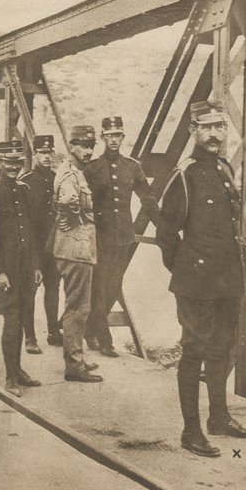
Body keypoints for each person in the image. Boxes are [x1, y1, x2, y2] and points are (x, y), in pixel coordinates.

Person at [157, 100, 246, 458]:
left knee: (222, 348)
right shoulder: (185, 175)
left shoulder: (223, 168)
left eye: (220, 127)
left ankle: (219, 418)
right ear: (193, 131)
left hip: (227, 279)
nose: (214, 134)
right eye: (207, 127)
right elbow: (166, 234)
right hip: (197, 283)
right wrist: (187, 272)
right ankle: (191, 431)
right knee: (194, 352)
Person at [86, 115, 160, 357]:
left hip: (123, 238)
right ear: (102, 138)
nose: (113, 140)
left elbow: (148, 199)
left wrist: (162, 227)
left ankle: (90, 329)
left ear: (122, 137)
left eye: (117, 135)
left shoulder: (132, 167)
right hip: (100, 238)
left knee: (113, 285)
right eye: (109, 136)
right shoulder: (92, 169)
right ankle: (104, 339)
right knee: (99, 286)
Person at [0, 140, 43, 398]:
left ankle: (18, 370)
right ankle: (10, 378)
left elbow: (32, 232)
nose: (13, 167)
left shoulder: (24, 190)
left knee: (23, 317)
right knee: (12, 320)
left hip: (25, 269)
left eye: (18, 163)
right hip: (5, 272)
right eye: (8, 162)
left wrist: (36, 265)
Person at [52, 125, 103, 383]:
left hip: (78, 248)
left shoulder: (77, 172)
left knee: (80, 306)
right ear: (71, 147)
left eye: (91, 146)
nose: (88, 151)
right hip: (76, 249)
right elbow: (67, 201)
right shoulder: (70, 174)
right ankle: (74, 365)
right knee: (77, 308)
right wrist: (73, 218)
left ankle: (77, 357)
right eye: (82, 146)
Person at [19, 134, 62, 352]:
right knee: (30, 292)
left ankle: (53, 332)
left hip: (52, 247)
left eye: (49, 152)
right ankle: (30, 337)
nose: (47, 157)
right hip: (32, 248)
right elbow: (24, 223)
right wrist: (32, 257)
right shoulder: (26, 182)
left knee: (53, 289)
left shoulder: (56, 179)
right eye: (42, 153)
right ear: (35, 155)